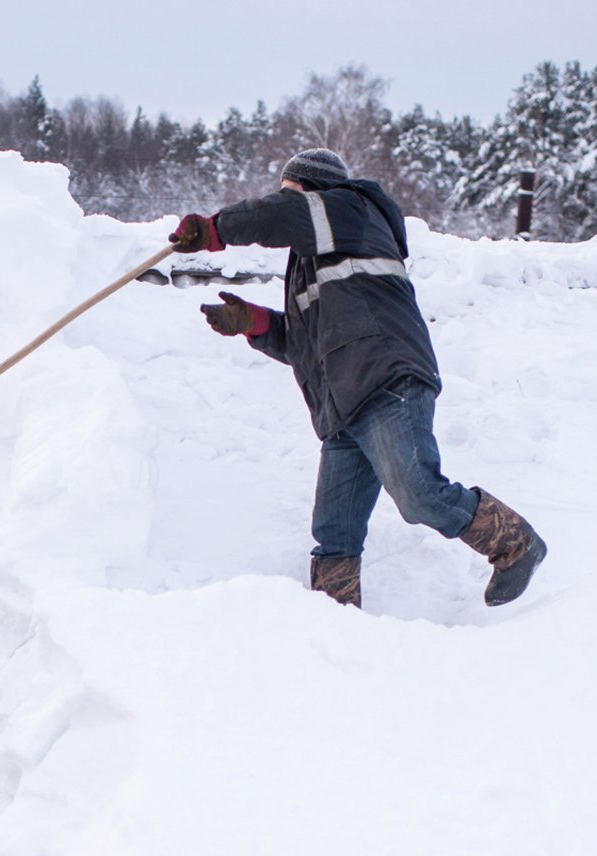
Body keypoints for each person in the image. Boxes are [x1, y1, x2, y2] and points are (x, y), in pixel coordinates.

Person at [170, 148, 546, 609]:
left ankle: (516, 544)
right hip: (343, 408)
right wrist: (254, 323)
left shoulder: (354, 211)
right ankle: (336, 623)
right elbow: (307, 346)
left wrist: (215, 230)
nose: (284, 204)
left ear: (316, 191)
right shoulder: (311, 265)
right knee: (334, 533)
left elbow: (286, 215)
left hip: (386, 380)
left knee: (417, 494)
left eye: (292, 194)